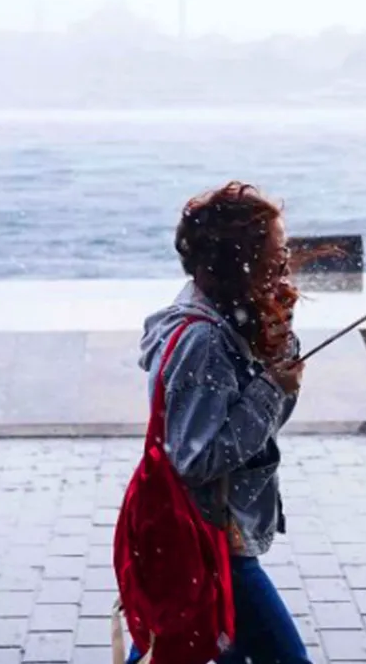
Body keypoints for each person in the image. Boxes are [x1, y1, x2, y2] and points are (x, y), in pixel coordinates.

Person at [128, 181, 311, 664]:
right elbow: (196, 458)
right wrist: (270, 387)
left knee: (172, 645)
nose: (285, 264)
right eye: (276, 253)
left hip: (204, 535)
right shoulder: (204, 341)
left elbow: (264, 428)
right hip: (210, 539)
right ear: (240, 261)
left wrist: (278, 348)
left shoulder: (228, 318)